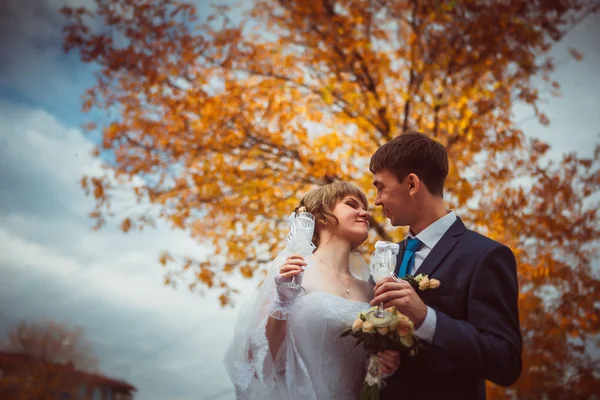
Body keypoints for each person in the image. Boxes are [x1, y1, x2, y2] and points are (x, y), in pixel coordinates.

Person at [369, 131, 522, 399]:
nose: (377, 200)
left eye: (381, 187)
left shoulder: (485, 256)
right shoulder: (389, 257)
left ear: (413, 184)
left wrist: (427, 318)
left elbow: (505, 361)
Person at [224, 181, 400, 399]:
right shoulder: (293, 272)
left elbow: (363, 367)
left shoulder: (370, 289)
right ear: (322, 217)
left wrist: (383, 367)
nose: (364, 212)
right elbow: (260, 362)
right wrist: (282, 304)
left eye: (365, 208)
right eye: (352, 204)